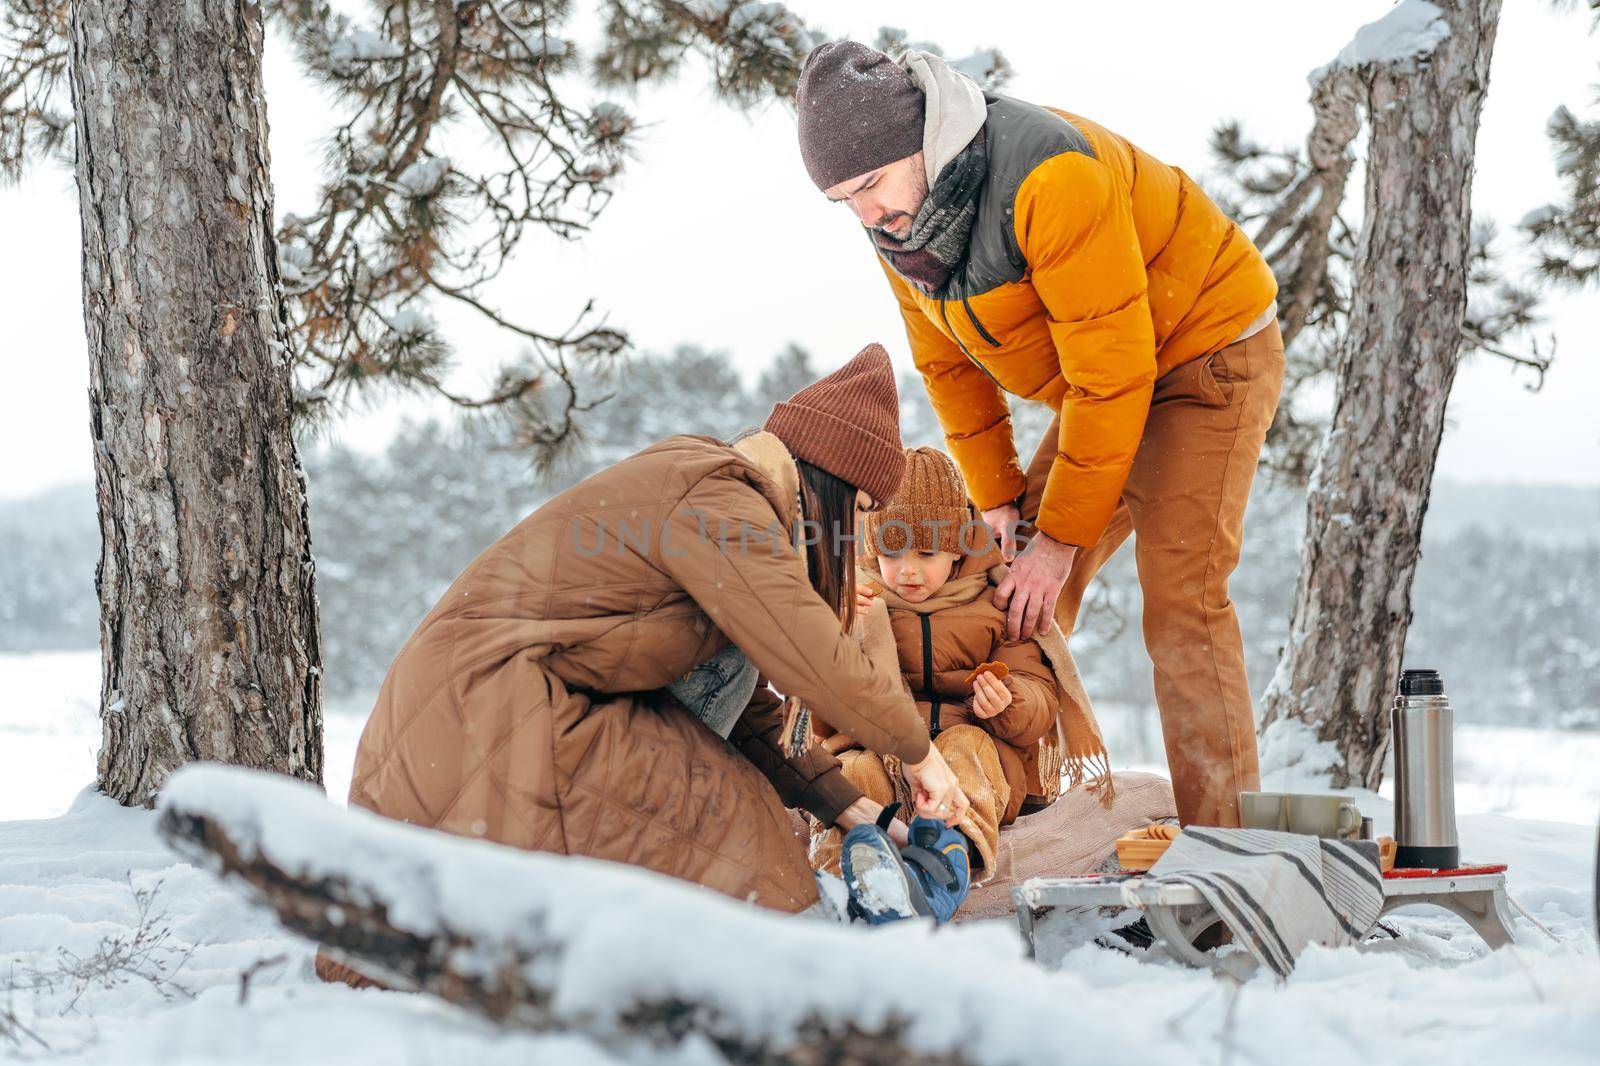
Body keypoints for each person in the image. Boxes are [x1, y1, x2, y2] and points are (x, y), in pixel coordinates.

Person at [317, 344, 972, 986]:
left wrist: (848, 805)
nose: (853, 537)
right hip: (494, 717)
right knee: (735, 829)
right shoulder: (724, 500)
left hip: (468, 717)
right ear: (827, 482)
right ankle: (818, 958)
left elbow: (743, 702)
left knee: (729, 803)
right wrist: (922, 755)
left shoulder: (719, 493)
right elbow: (810, 654)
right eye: (859, 511)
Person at [794, 42, 1284, 828]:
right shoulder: (899, 223)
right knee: (1010, 589)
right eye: (843, 199)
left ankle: (1229, 851)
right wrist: (997, 504)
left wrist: (1058, 539)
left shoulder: (1051, 180)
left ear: (918, 143)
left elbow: (1116, 376)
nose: (865, 213)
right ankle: (1003, 789)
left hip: (1205, 354)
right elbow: (949, 367)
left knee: (1181, 602)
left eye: (871, 185)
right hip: (1111, 375)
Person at [808, 447, 1072, 923]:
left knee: (963, 746)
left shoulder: (996, 603)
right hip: (882, 748)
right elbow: (819, 720)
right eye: (891, 551)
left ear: (957, 549)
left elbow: (1038, 695)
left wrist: (1006, 703)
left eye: (925, 552)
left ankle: (947, 861)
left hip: (973, 749)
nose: (907, 570)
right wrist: (843, 641)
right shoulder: (855, 601)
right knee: (854, 772)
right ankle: (846, 878)